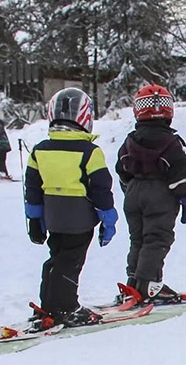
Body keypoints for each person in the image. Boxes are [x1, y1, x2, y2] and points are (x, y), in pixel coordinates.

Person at [23, 87, 118, 327]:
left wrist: (34, 219)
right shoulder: (90, 152)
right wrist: (108, 219)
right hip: (79, 218)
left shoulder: (40, 150)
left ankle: (49, 302)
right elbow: (101, 189)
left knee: (55, 258)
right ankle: (65, 307)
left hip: (53, 216)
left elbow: (32, 188)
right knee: (71, 261)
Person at [114, 83, 186, 304]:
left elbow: (121, 168)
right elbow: (179, 171)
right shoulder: (171, 142)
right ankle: (149, 283)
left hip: (134, 193)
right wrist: (185, 199)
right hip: (160, 193)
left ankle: (134, 280)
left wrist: (129, 188)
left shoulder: (130, 140)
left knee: (138, 238)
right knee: (157, 238)